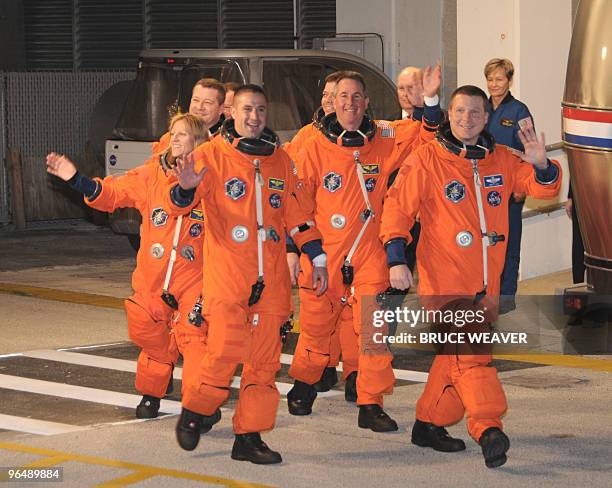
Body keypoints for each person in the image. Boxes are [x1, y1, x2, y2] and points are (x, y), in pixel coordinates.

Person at [380, 85, 561, 468]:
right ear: (450, 114)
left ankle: (428, 423)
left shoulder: (501, 159)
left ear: (486, 117)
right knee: (473, 359)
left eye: (475, 113)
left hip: (486, 286)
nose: (467, 119)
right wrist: (396, 259)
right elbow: (397, 209)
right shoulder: (427, 159)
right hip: (444, 283)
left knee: (454, 362)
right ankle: (488, 428)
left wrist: (542, 165)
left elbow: (543, 188)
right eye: (460, 111)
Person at [165, 84, 329, 464]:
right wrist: (185, 190)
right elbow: (178, 204)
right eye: (246, 110)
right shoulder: (210, 156)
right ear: (231, 113)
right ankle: (195, 411)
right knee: (223, 352)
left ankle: (249, 437)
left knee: (265, 363)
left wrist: (317, 258)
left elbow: (298, 215)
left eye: (260, 110)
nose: (253, 117)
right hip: (227, 277)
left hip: (270, 280)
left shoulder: (281, 161)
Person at [286, 68, 443, 431]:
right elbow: (295, 205)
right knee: (316, 329)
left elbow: (426, 134)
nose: (350, 103)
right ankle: (306, 383)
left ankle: (371, 403)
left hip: (369, 254)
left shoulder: (384, 136)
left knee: (373, 333)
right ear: (332, 102)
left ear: (367, 103)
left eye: (357, 97)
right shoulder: (309, 144)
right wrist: (296, 250)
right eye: (343, 97)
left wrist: (431, 101)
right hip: (323, 254)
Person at [45, 113, 210, 420]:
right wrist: (75, 178)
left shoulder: (213, 180)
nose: (174, 138)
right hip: (153, 277)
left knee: (195, 338)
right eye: (172, 133)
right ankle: (152, 392)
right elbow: (111, 194)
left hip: (195, 277)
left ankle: (199, 405)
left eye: (183, 134)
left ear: (199, 141)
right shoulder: (150, 176)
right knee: (147, 330)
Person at [484, 58, 535, 313]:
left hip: (510, 192)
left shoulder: (519, 111)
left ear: (509, 81)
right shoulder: (479, 107)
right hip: (482, 191)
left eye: (499, 79)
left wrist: (521, 187)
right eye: (490, 79)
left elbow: (530, 152)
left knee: (509, 244)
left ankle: (505, 299)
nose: (494, 84)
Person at [152, 78, 226, 154]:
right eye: (196, 100)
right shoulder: (169, 139)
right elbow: (154, 164)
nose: (199, 107)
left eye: (207, 102)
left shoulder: (227, 144)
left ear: (221, 109)